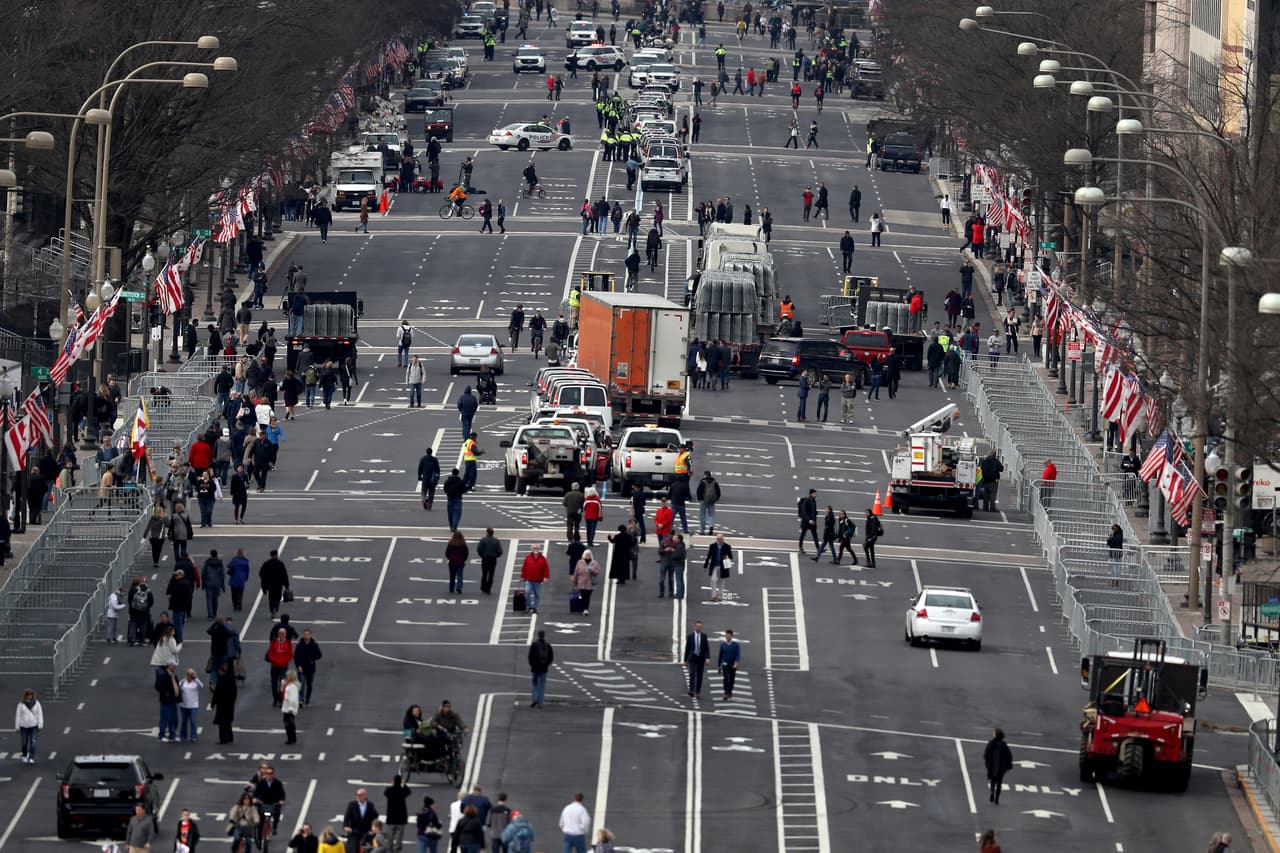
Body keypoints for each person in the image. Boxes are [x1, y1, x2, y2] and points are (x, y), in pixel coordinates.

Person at [344, 788, 381, 853]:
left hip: (366, 832)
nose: (358, 796)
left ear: (365, 795)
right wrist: (346, 826)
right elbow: (346, 817)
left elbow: (375, 816)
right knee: (353, 849)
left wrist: (373, 829)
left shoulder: (370, 805)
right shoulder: (352, 804)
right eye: (357, 795)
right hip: (354, 831)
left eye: (360, 795)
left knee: (366, 849)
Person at [984, 728, 1013, 804]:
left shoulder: (991, 743)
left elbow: (986, 754)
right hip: (1000, 767)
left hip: (992, 766)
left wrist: (987, 763)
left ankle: (992, 791)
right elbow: (1009, 756)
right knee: (999, 783)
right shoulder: (1004, 745)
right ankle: (997, 798)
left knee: (993, 781)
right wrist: (1007, 765)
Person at [384, 775, 412, 853]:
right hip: (401, 818)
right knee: (399, 837)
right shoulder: (402, 791)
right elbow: (408, 791)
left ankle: (390, 850)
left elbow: (385, 792)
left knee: (390, 837)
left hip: (391, 818)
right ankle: (397, 850)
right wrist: (404, 784)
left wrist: (393, 784)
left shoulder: (389, 790)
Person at [14, 688, 43, 764]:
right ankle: (24, 756)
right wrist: (17, 726)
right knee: (24, 743)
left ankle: (31, 757)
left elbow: (40, 714)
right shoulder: (21, 704)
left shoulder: (37, 703)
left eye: (30, 694)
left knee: (33, 742)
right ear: (25, 695)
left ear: (32, 695)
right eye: (27, 694)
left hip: (34, 726)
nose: (29, 696)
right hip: (24, 726)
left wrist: (40, 725)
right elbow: (18, 715)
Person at [259, 549, 290, 619]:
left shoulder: (266, 564)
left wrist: (264, 587)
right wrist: (286, 585)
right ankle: (275, 608)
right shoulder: (280, 564)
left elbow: (262, 574)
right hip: (278, 585)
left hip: (270, 585)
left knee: (271, 598)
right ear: (277, 555)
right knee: (277, 598)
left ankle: (272, 609)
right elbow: (284, 575)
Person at [683, 620, 711, 696]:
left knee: (699, 675)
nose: (699, 628)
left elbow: (706, 648)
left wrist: (707, 659)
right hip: (693, 657)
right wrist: (685, 660)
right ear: (695, 627)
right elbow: (687, 648)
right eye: (698, 627)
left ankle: (698, 691)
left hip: (701, 658)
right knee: (692, 673)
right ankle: (691, 690)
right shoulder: (690, 636)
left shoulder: (704, 636)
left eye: (700, 627)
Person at [521, 543, 550, 614]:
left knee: (537, 594)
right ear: (531, 549)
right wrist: (523, 576)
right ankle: (529, 606)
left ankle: (535, 608)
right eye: (534, 548)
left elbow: (546, 568)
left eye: (537, 548)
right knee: (527, 593)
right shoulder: (528, 558)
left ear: (539, 549)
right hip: (529, 580)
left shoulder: (543, 559)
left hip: (538, 580)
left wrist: (546, 577)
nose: (535, 549)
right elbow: (524, 568)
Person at [704, 533, 732, 602]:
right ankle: (714, 595)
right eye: (718, 539)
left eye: (720, 539)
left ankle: (720, 596)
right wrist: (705, 565)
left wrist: (727, 557)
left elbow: (731, 556)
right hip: (715, 566)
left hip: (723, 566)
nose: (719, 541)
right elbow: (708, 556)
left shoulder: (727, 546)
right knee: (713, 580)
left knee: (721, 582)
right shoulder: (712, 546)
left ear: (723, 539)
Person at [572, 549, 600, 615]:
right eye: (587, 555)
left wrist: (591, 569)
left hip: (590, 584)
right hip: (581, 583)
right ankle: (583, 608)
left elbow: (598, 572)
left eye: (589, 555)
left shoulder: (594, 563)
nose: (588, 556)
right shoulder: (580, 562)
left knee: (587, 597)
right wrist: (574, 582)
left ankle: (586, 609)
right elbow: (576, 572)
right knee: (583, 596)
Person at [718, 629, 740, 700]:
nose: (727, 637)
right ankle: (726, 693)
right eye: (726, 635)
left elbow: (737, 655)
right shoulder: (723, 645)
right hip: (725, 664)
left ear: (731, 636)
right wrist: (719, 665)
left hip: (733, 665)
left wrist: (736, 663)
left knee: (731, 679)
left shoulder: (735, 645)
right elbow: (720, 656)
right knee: (726, 678)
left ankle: (730, 691)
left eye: (728, 635)